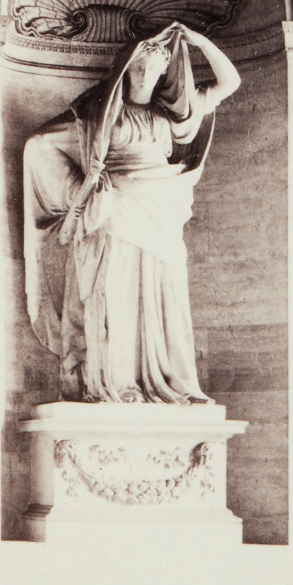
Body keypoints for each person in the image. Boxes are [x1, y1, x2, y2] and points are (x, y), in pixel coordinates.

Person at [20, 21, 241, 404]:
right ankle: (114, 381)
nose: (147, 77)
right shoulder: (98, 116)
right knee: (114, 292)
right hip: (115, 211)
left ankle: (164, 379)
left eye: (155, 70)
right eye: (140, 68)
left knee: (161, 295)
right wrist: (81, 191)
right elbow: (40, 145)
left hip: (160, 211)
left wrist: (199, 41)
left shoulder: (169, 118)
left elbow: (230, 83)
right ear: (125, 70)